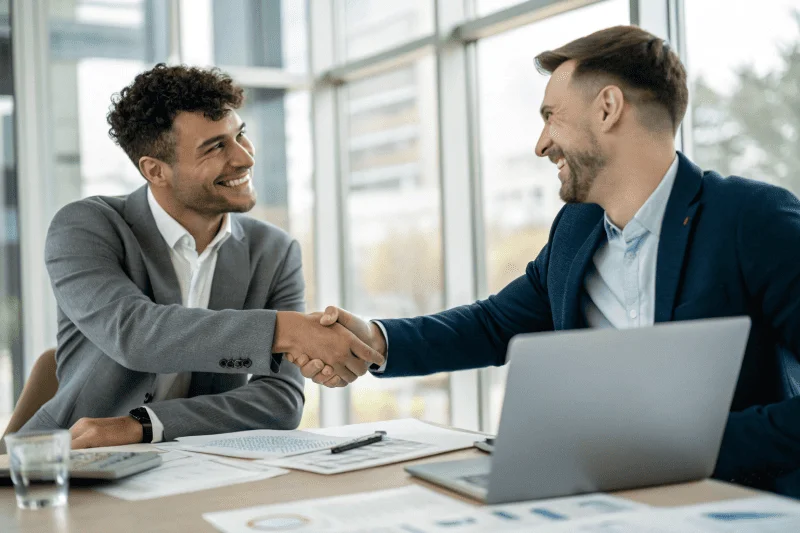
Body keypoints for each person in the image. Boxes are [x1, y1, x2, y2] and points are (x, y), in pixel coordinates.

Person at [297, 26, 800, 496]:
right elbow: (495, 324)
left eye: (550, 116)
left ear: (607, 108)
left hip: (733, 499)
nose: (540, 144)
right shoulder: (576, 230)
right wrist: (376, 341)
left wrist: (688, 448)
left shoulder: (752, 219)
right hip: (596, 497)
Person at [22, 64, 383, 449]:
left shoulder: (274, 252)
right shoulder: (85, 227)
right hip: (65, 460)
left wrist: (144, 426)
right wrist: (287, 330)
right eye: (215, 147)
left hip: (197, 465)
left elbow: (280, 401)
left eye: (240, 135)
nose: (244, 159)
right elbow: (134, 333)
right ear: (155, 170)